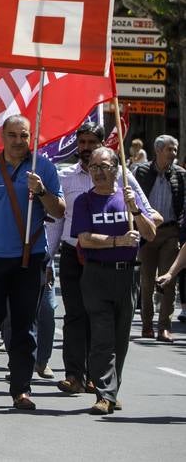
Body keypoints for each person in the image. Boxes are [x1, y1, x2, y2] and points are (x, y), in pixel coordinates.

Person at [0, 115, 64, 409]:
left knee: (24, 326)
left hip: (28, 260)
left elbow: (59, 211)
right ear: (2, 136)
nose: (19, 141)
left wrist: (42, 191)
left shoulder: (42, 167)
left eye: (24, 135)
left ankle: (21, 389)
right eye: (13, 135)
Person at [47, 123, 156, 394]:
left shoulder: (123, 177)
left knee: (104, 321)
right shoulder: (67, 177)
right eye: (81, 142)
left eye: (91, 142)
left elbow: (151, 214)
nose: (85, 148)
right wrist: (47, 259)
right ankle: (74, 375)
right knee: (75, 316)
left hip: (114, 261)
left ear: (102, 144)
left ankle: (99, 376)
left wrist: (139, 218)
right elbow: (57, 222)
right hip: (75, 254)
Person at [72, 147, 156, 415]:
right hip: (96, 274)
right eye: (93, 167)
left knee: (120, 338)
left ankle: (111, 389)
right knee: (102, 335)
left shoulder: (128, 198)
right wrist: (117, 241)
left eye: (104, 166)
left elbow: (151, 235)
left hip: (128, 275)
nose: (98, 172)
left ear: (116, 170)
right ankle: (104, 394)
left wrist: (137, 212)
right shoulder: (84, 201)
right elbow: (84, 239)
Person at [133, 135, 183, 341]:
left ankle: (164, 327)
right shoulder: (142, 171)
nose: (174, 154)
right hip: (148, 232)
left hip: (171, 232)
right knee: (146, 280)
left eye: (175, 150)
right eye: (170, 149)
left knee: (168, 280)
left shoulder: (181, 175)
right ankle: (146, 325)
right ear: (158, 151)